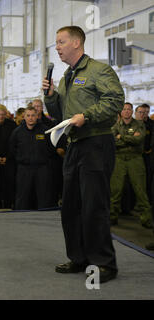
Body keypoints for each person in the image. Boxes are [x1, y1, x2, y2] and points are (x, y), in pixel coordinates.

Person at [42, 25, 124, 283]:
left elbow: (115, 101)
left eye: (61, 42)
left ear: (76, 43)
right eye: (56, 43)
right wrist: (51, 95)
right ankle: (79, 258)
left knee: (93, 206)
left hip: (96, 143)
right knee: (71, 207)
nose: (57, 47)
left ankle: (104, 263)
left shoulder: (99, 70)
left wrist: (86, 116)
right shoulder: (68, 75)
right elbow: (59, 114)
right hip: (75, 145)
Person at [110, 103, 152, 228]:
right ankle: (112, 217)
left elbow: (138, 140)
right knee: (115, 191)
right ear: (121, 112)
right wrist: (129, 138)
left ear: (132, 111)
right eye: (124, 109)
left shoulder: (139, 124)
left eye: (129, 109)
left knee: (140, 191)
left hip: (135, 159)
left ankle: (146, 219)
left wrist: (120, 137)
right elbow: (113, 142)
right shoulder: (115, 126)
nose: (127, 111)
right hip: (119, 160)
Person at [9, 106, 54, 210]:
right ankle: (20, 219)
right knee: (22, 196)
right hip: (24, 169)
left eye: (33, 115)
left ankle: (45, 219)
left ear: (37, 116)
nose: (30, 118)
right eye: (28, 115)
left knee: (44, 196)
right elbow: (12, 149)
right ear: (24, 117)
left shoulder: (45, 131)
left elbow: (51, 148)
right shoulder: (17, 132)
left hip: (42, 169)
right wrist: (22, 159)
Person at [0, 105, 17, 209]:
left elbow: (14, 143)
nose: (1, 116)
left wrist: (7, 157)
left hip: (9, 160)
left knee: (9, 185)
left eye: (2, 114)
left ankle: (9, 205)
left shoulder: (12, 125)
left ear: (6, 114)